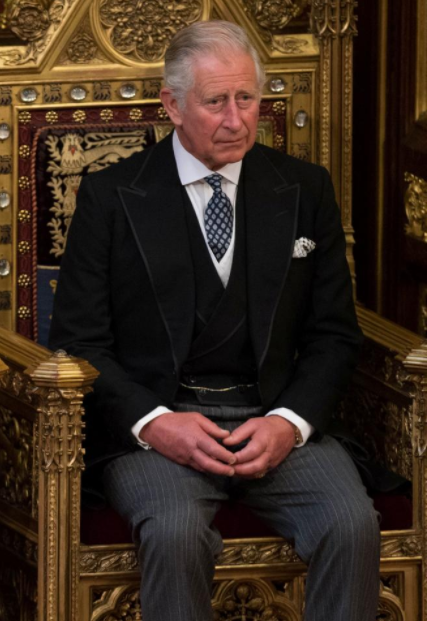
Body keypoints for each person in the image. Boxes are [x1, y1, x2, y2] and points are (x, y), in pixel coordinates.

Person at [49, 20, 379, 621]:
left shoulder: (304, 190)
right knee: (175, 533)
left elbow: (333, 333)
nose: (236, 119)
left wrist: (289, 423)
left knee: (351, 523)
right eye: (216, 101)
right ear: (172, 104)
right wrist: (155, 423)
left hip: (273, 416)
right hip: (160, 430)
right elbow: (78, 342)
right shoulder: (112, 196)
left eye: (247, 98)